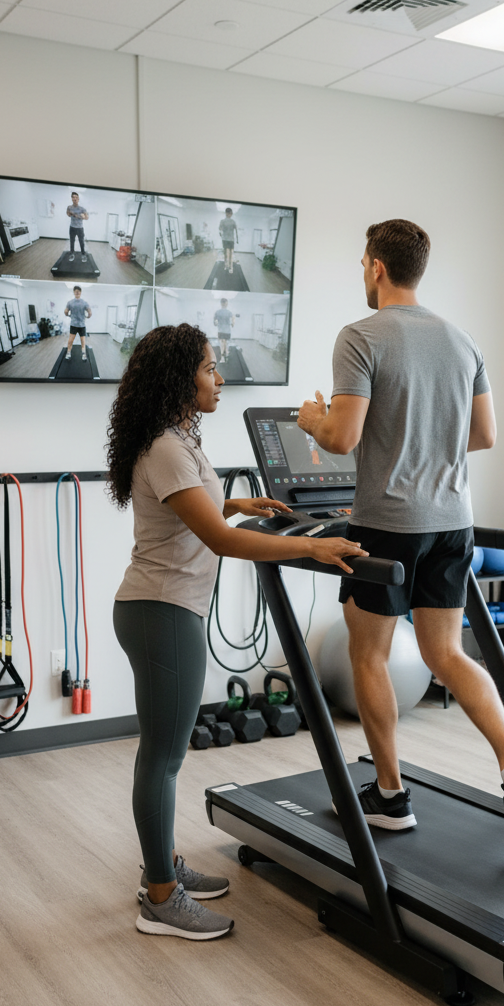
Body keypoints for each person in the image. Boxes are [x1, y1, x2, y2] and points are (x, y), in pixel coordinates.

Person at [297, 219, 504, 857]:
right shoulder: (461, 340)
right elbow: (484, 434)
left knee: (369, 655)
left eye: (363, 263)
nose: (363, 273)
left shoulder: (359, 337)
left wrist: (312, 420)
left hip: (385, 524)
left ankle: (390, 796)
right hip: (452, 522)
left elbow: (342, 439)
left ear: (378, 268)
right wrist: (426, 439)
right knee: (446, 654)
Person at [107, 323, 367, 941]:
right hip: (162, 611)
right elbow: (218, 542)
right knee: (164, 760)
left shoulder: (174, 439)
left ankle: (162, 868)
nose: (218, 378)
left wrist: (238, 504)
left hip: (165, 608)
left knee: (163, 755)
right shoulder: (168, 447)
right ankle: (161, 899)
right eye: (208, 369)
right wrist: (317, 546)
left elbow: (198, 510)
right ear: (179, 380)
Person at [64, 285, 91, 361]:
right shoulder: (83, 303)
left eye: (78, 291)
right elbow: (90, 312)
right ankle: (80, 354)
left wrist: (68, 315)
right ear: (75, 292)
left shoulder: (71, 302)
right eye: (76, 291)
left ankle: (70, 353)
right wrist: (88, 316)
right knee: (79, 341)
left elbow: (66, 312)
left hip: (79, 325)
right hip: (76, 325)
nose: (77, 292)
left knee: (75, 340)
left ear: (79, 292)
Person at [66, 191, 89, 262]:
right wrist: (73, 214)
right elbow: (68, 214)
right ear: (71, 198)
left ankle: (83, 254)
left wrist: (82, 216)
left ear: (78, 199)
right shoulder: (69, 207)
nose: (75, 199)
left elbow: (87, 217)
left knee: (81, 242)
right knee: (72, 241)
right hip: (72, 227)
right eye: (73, 197)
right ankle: (72, 253)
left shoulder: (82, 209)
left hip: (80, 228)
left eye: (76, 197)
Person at [218, 207, 238, 273]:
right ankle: (228, 266)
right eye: (230, 213)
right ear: (227, 213)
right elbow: (220, 230)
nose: (230, 214)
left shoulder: (231, 222)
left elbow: (220, 231)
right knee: (228, 254)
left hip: (228, 240)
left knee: (228, 254)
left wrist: (222, 236)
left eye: (231, 213)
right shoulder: (224, 221)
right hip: (228, 240)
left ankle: (228, 266)